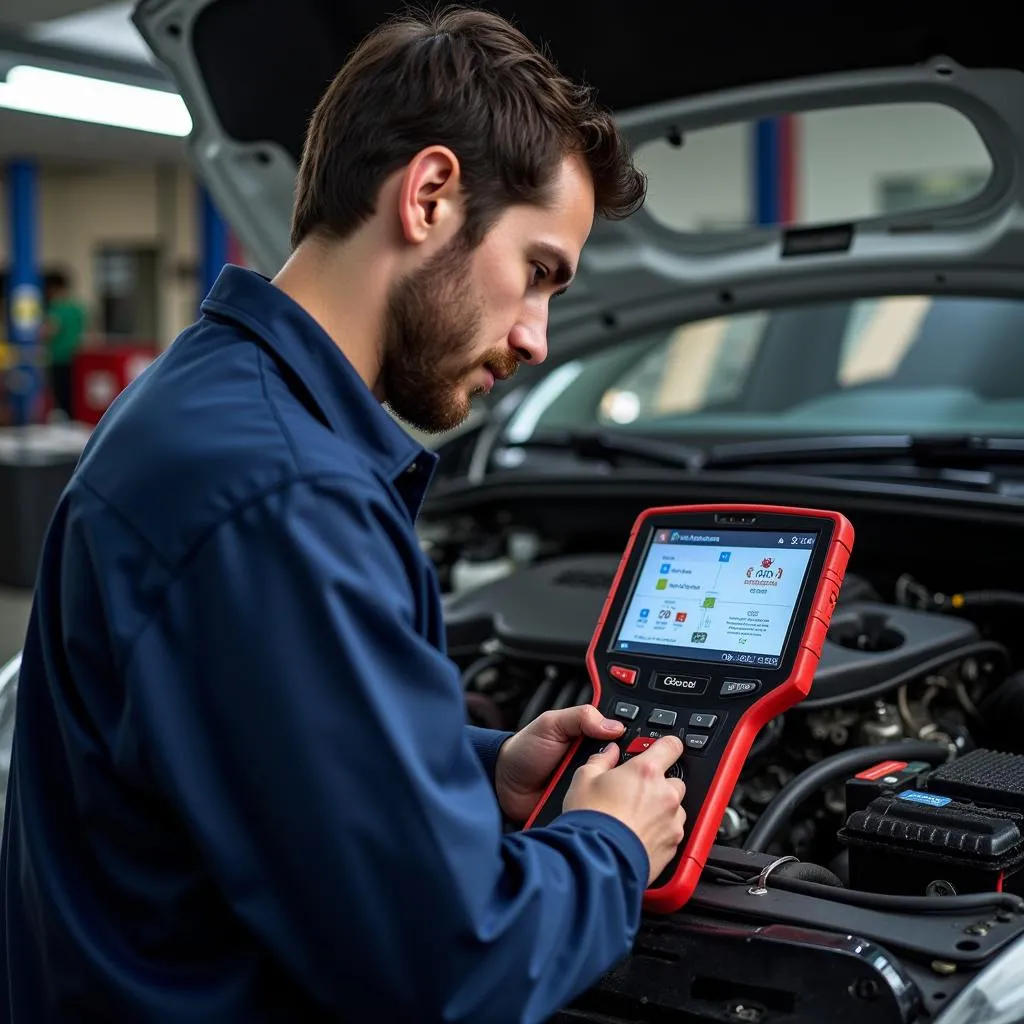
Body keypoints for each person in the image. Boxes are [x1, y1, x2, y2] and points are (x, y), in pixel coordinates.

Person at [0, 7, 687, 1022]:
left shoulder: (202, 399)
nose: (537, 337)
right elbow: (451, 965)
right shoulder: (286, 495)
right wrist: (607, 843)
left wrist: (484, 766)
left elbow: (245, 745)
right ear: (430, 194)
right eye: (537, 271)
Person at [41, 269, 87, 419]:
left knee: (62, 396)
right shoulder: (78, 308)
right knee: (74, 396)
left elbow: (48, 331)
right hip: (77, 358)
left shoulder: (56, 308)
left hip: (59, 358)